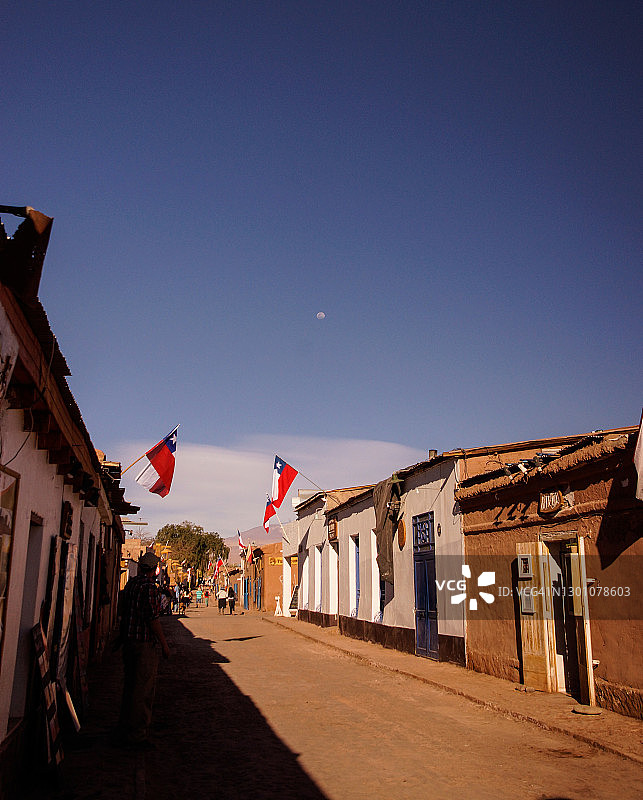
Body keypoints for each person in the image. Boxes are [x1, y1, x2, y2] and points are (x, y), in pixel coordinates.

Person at [117, 551, 171, 748]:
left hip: (129, 642)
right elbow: (153, 619)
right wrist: (164, 644)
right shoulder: (149, 588)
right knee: (143, 690)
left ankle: (124, 729)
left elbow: (123, 610)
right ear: (155, 570)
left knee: (130, 687)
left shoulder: (131, 585)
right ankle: (137, 735)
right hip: (143, 645)